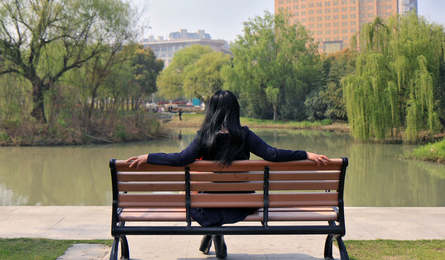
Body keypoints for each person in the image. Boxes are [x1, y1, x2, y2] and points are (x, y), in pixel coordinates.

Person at [126, 90, 330, 258]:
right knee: (217, 199)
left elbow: (180, 159)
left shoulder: (204, 136)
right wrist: (306, 154)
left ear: (211, 111)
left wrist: (149, 156)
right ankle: (215, 234)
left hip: (208, 205)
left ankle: (215, 234)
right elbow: (273, 154)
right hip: (241, 204)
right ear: (235, 111)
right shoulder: (245, 135)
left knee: (199, 198)